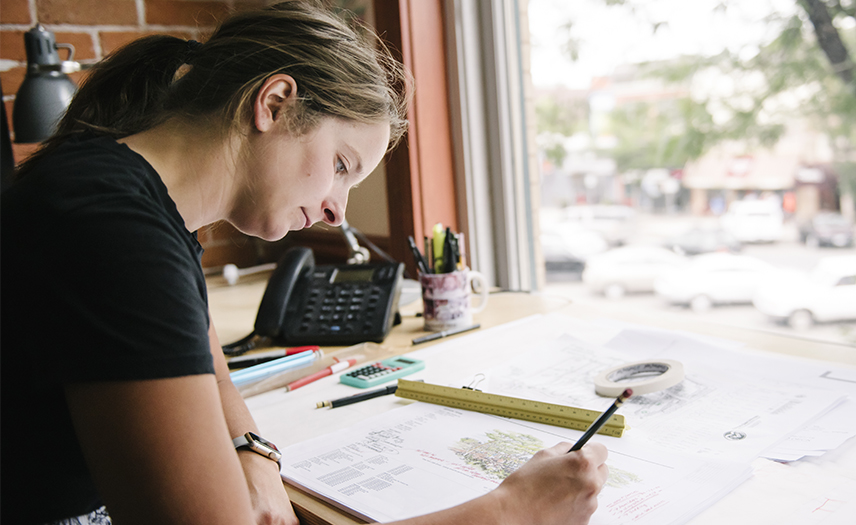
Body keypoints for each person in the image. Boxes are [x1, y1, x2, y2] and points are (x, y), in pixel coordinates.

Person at [1, 1, 609, 524]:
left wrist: (252, 452)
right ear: (275, 102)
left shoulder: (136, 200)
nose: (335, 214)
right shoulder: (112, 228)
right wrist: (507, 510)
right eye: (342, 166)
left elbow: (207, 363)